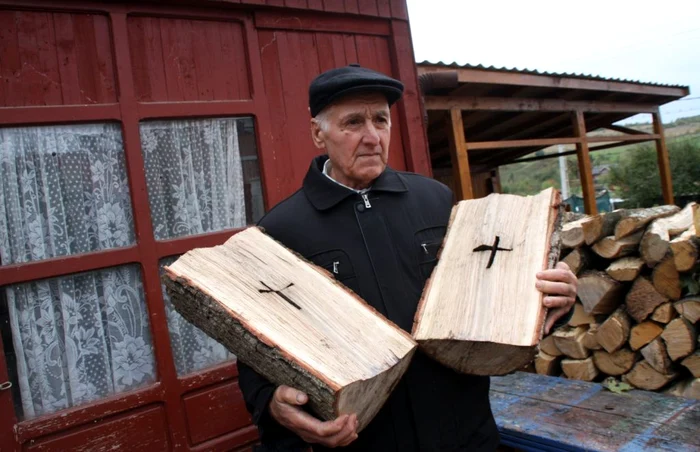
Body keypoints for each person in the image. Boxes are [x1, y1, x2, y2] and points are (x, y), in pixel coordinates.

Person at [237, 64, 578, 451]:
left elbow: (492, 294)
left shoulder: (435, 200)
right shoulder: (281, 230)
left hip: (467, 433)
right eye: (353, 122)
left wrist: (551, 299)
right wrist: (271, 403)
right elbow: (254, 349)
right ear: (318, 133)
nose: (372, 137)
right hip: (367, 441)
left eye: (381, 120)